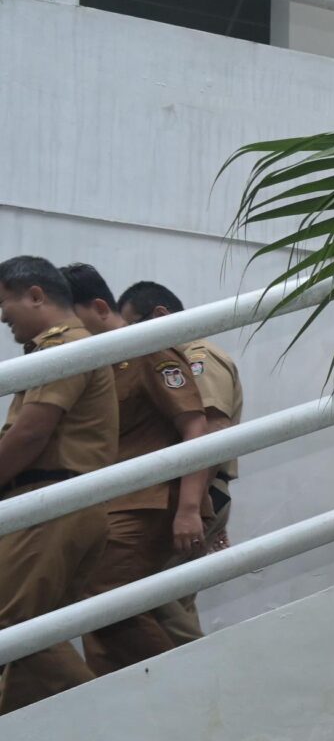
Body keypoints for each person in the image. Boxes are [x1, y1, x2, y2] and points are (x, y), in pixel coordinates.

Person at [64, 277, 214, 674]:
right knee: (103, 618)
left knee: (104, 597)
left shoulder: (147, 350)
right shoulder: (99, 365)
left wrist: (188, 508)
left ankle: (182, 689)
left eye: (71, 318)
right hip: (111, 504)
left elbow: (196, 426)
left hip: (149, 500)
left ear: (98, 308)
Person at [0, 256, 118, 711]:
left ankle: (107, 721)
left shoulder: (64, 346)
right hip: (60, 503)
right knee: (30, 637)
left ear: (35, 294)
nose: (3, 317)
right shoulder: (62, 347)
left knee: (17, 629)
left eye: (5, 303)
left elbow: (31, 432)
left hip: (51, 502)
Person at [117, 281, 245, 645]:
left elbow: (212, 433)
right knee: (175, 604)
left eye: (132, 327)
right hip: (199, 493)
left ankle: (204, 682)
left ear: (160, 315)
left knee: (159, 603)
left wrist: (194, 510)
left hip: (199, 492)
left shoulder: (198, 356)